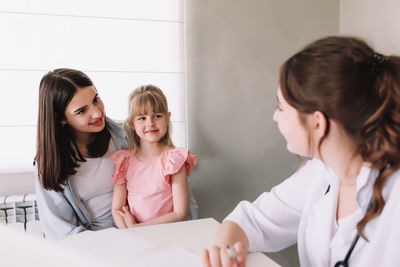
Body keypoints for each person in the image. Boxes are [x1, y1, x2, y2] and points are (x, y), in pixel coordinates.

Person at [202, 36, 400, 267]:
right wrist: (225, 256)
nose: (275, 116)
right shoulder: (322, 171)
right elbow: (248, 220)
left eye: (281, 107)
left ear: (318, 123)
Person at [35, 69, 127, 238]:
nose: (97, 113)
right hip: (90, 247)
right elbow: (60, 230)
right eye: (82, 111)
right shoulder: (49, 163)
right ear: (60, 118)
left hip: (139, 233)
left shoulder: (127, 137)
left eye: (96, 99)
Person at [110, 85, 197, 228]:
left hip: (168, 232)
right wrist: (128, 232)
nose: (150, 123)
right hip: (133, 236)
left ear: (167, 117)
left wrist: (138, 228)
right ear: (132, 123)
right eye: (142, 118)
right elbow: (116, 209)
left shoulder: (173, 160)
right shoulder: (124, 161)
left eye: (157, 116)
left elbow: (180, 213)